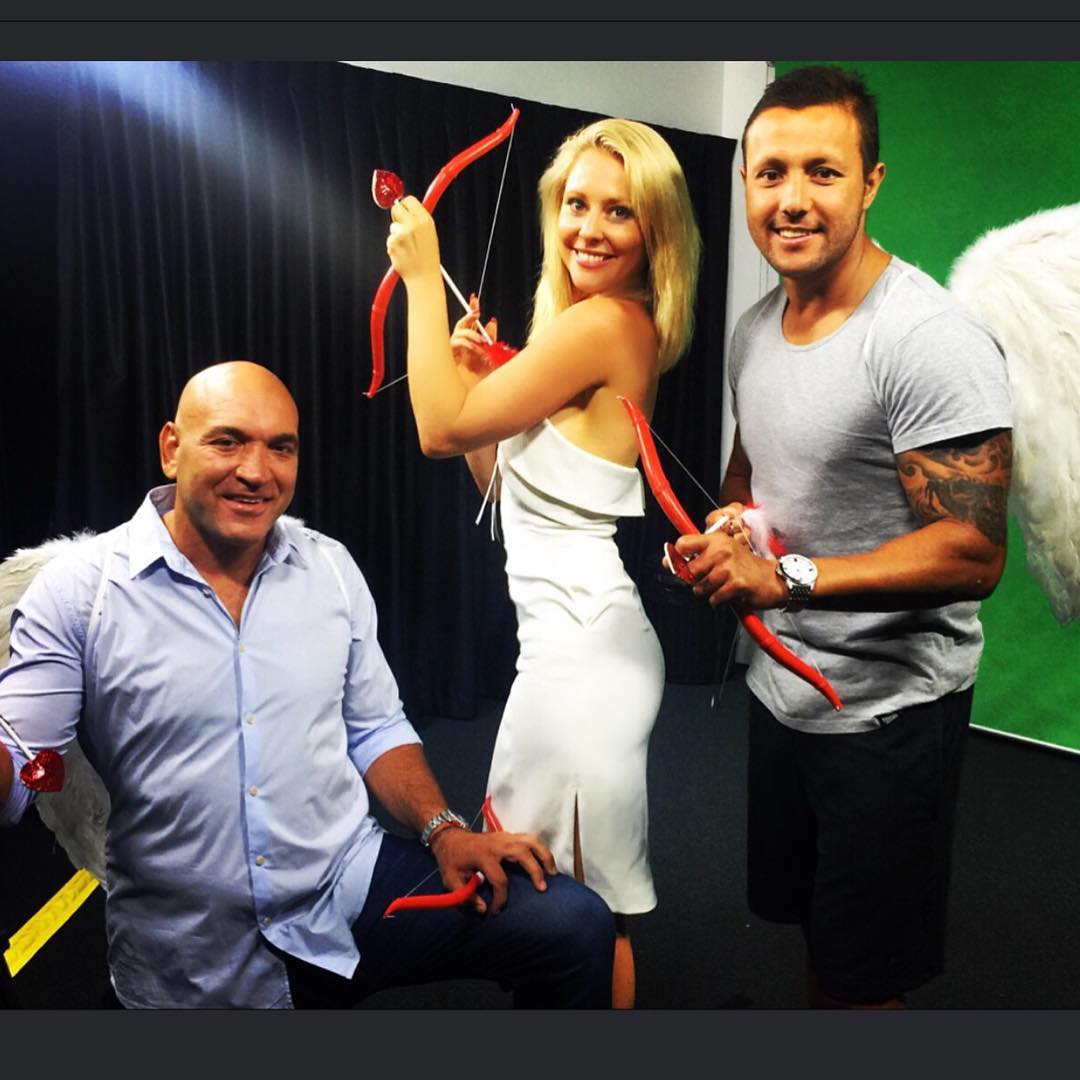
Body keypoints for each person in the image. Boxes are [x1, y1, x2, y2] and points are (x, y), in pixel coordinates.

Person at [0, 360, 615, 1009]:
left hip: (347, 888)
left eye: (281, 448)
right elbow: (17, 763)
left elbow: (375, 726)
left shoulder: (328, 568)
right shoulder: (82, 593)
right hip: (194, 950)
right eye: (228, 441)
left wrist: (445, 830)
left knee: (571, 925)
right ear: (171, 448)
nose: (256, 471)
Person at [674, 66, 1013, 1008]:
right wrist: (729, 530)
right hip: (782, 692)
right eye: (769, 173)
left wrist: (782, 577)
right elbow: (752, 475)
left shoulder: (927, 338)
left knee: (868, 980)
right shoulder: (755, 330)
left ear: (871, 183)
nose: (791, 199)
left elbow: (973, 552)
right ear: (744, 182)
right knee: (819, 939)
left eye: (822, 172)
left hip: (887, 717)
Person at [385, 118, 701, 1007]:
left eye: (619, 211)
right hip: (565, 651)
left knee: (587, 911)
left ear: (656, 231)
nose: (589, 228)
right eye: (575, 203)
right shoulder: (590, 329)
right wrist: (472, 373)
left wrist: (421, 280)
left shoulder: (606, 322)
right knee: (551, 900)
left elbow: (437, 430)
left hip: (585, 658)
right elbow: (499, 484)